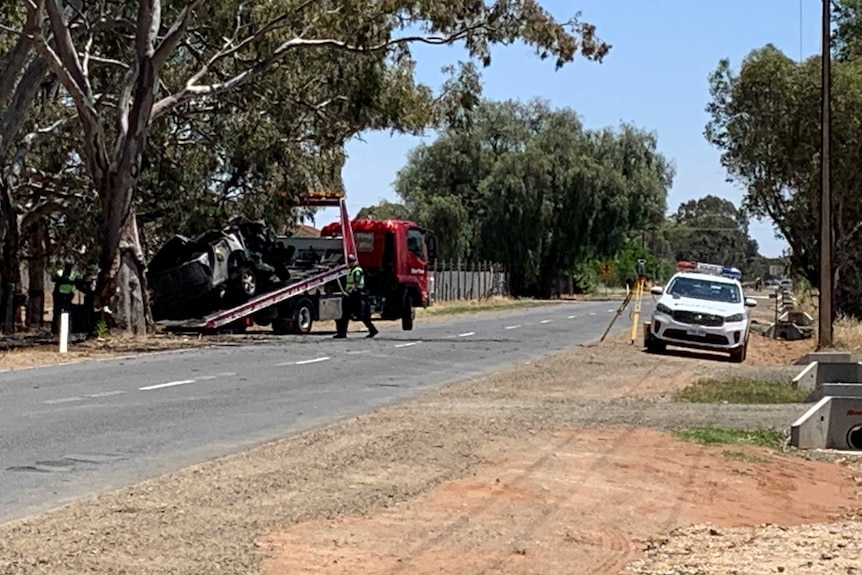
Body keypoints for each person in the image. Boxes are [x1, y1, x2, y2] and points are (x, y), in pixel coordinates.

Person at [334, 254, 378, 339]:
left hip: (356, 294)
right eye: (349, 261)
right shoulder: (350, 270)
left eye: (351, 261)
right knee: (345, 314)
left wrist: (350, 291)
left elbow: (356, 283)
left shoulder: (357, 270)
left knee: (360, 314)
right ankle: (342, 333)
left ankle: (372, 329)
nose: (350, 263)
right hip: (350, 294)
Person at [51, 260, 78, 334]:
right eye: (67, 265)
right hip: (58, 295)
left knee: (68, 312)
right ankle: (55, 330)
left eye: (70, 266)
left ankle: (67, 329)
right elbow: (53, 279)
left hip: (68, 295)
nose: (68, 267)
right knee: (57, 312)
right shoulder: (60, 272)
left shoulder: (73, 274)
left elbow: (77, 283)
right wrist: (61, 279)